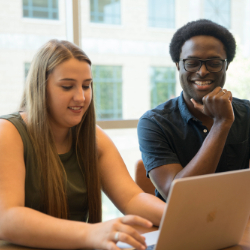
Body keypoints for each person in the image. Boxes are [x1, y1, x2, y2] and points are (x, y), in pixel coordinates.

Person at [0, 39, 165, 250]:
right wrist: (92, 232)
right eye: (67, 86)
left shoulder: (93, 137)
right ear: (40, 88)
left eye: (87, 86)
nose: (81, 97)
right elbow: (6, 218)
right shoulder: (8, 132)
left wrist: (179, 216)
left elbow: (132, 198)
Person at [137, 19, 250, 202]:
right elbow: (179, 196)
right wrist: (221, 124)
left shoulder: (247, 113)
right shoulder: (154, 123)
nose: (203, 71)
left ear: (226, 65)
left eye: (214, 62)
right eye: (192, 62)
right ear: (178, 65)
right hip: (180, 228)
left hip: (238, 225)